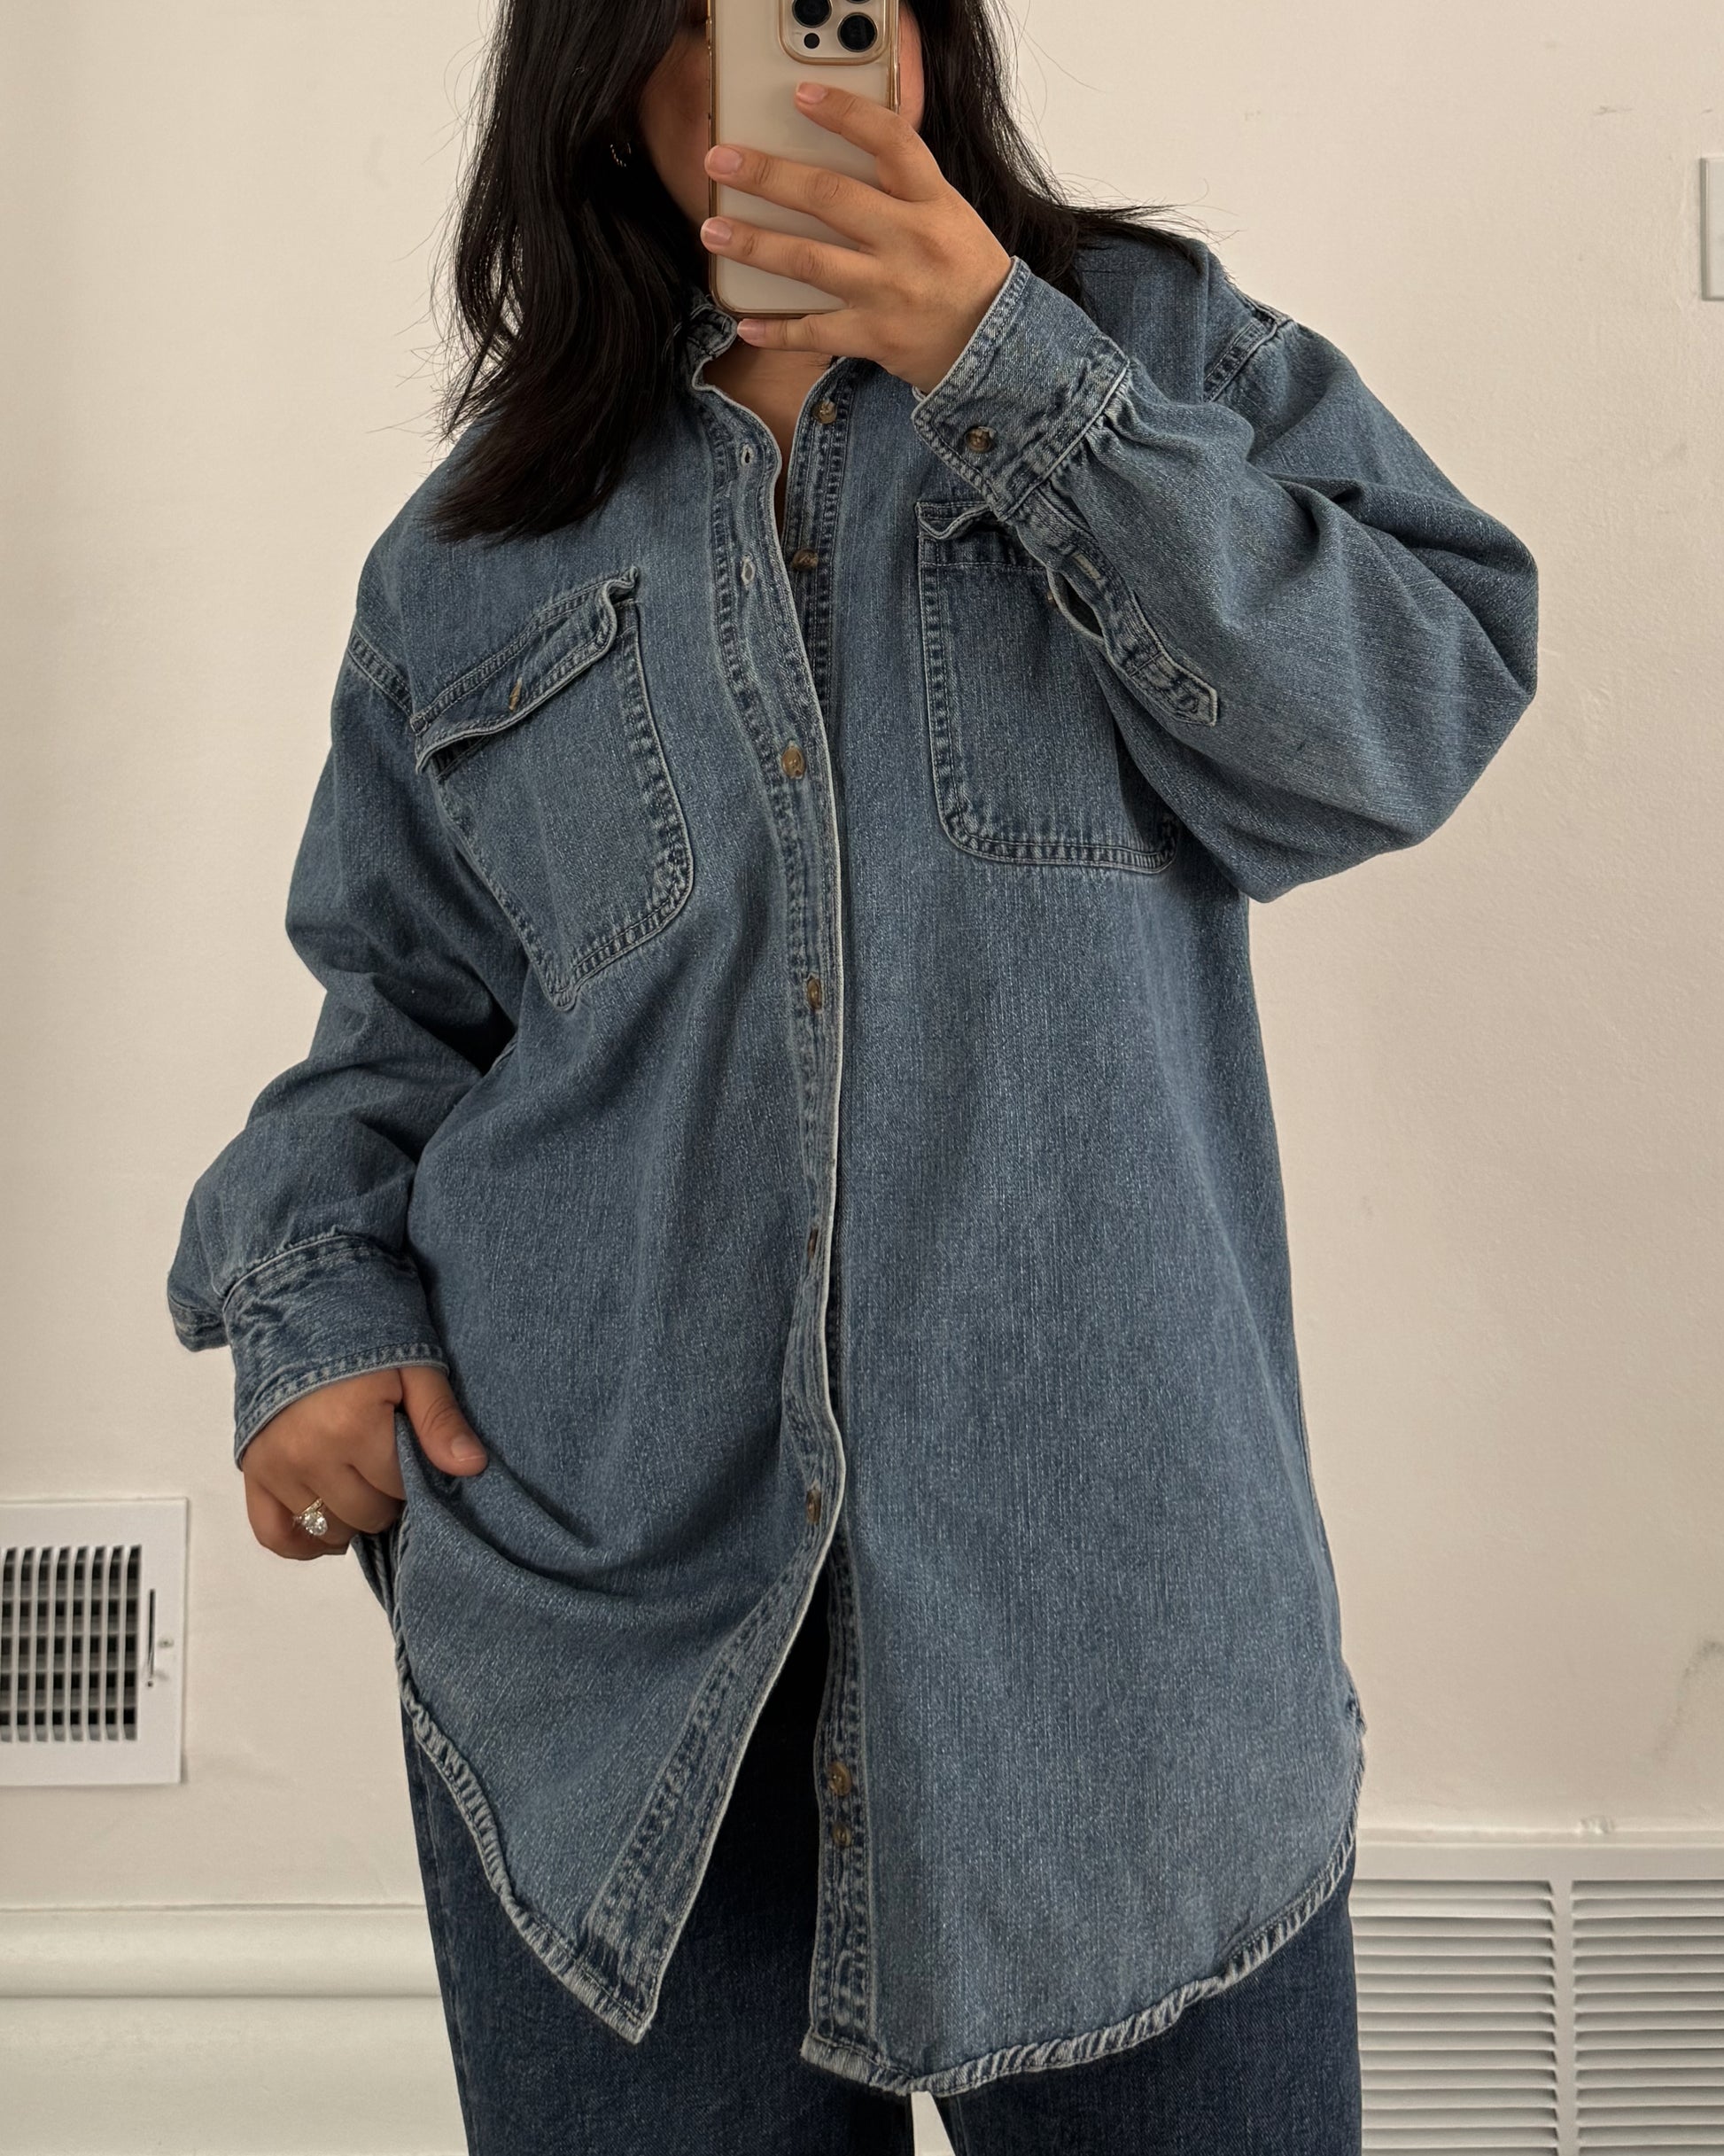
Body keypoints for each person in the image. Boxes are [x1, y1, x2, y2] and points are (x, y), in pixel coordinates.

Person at [165, 0, 1540, 2148]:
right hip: (609, 1653)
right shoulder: (478, 542)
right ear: (611, 74)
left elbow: (1410, 711)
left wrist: (1004, 364)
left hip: (1119, 1654)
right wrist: (317, 1317)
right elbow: (398, 1020)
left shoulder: (1148, 344)